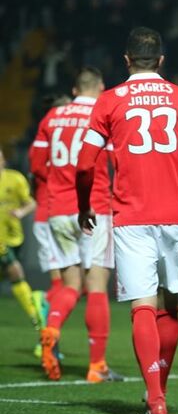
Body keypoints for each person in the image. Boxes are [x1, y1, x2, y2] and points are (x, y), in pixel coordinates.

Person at [75, 27, 178, 414]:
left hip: (130, 216)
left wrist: (85, 205)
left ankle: (155, 400)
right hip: (175, 213)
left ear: (126, 60)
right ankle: (162, 390)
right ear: (162, 61)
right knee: (169, 304)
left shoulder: (109, 100)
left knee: (142, 306)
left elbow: (85, 164)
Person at [31, 67, 123, 383]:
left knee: (71, 285)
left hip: (57, 209)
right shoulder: (102, 114)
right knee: (96, 286)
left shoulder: (52, 117)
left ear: (74, 90)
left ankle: (52, 328)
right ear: (100, 87)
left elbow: (35, 165)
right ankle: (97, 366)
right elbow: (117, 162)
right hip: (93, 207)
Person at [28, 94, 72, 337]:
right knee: (69, 284)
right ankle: (44, 303)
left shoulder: (45, 141)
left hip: (52, 214)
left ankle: (49, 335)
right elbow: (37, 169)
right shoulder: (45, 141)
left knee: (73, 284)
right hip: (52, 214)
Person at [0, 149, 42, 346]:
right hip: (1, 242)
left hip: (14, 237)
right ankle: (36, 315)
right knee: (16, 272)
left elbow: (32, 202)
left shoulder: (15, 179)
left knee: (14, 274)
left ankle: (36, 311)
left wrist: (20, 212)